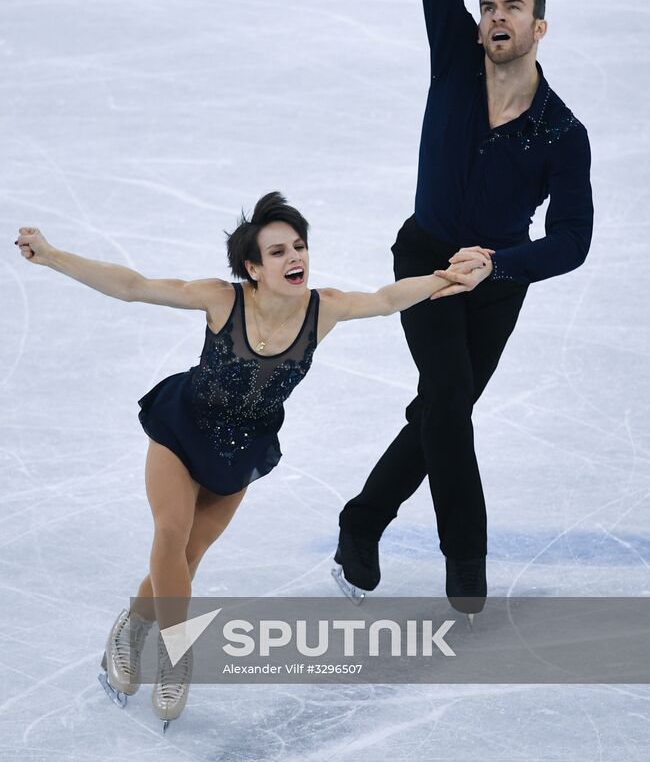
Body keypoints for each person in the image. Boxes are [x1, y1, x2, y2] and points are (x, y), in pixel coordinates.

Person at [14, 191, 487, 728]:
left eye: (300, 247)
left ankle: (131, 627)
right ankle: (176, 656)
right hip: (181, 430)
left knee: (186, 561)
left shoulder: (323, 309)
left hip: (242, 449)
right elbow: (133, 287)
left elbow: (384, 298)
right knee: (170, 536)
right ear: (252, 268)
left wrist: (448, 278)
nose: (295, 259)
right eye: (279, 251)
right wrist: (52, 256)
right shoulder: (222, 299)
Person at [335, 0, 594, 616]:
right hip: (423, 260)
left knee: (438, 411)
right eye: (488, 5)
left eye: (511, 6)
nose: (494, 16)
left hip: (497, 283)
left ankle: (362, 519)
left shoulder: (561, 132)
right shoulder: (454, 55)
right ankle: (466, 558)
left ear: (539, 26)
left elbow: (574, 242)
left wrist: (500, 265)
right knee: (447, 399)